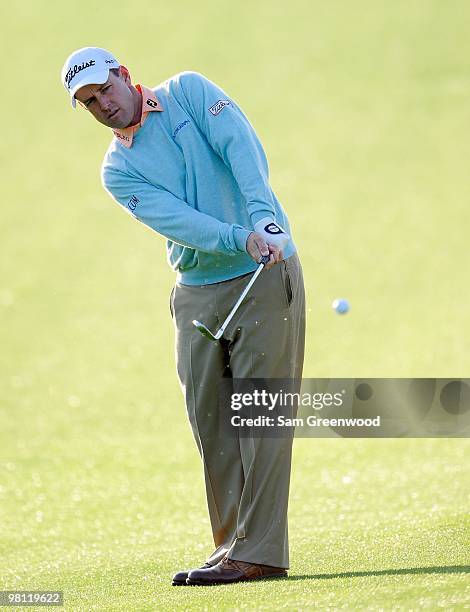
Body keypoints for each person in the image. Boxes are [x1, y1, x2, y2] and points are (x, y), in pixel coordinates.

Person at [60, 47, 306, 586]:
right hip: (196, 289)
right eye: (89, 102)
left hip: (264, 271)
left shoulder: (189, 94)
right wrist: (236, 236)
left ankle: (261, 552)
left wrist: (262, 220)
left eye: (105, 89)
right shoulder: (118, 171)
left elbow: (241, 149)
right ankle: (232, 544)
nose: (102, 104)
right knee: (211, 423)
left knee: (261, 419)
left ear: (124, 75)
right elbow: (182, 223)